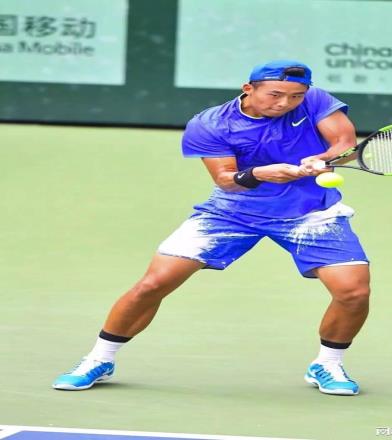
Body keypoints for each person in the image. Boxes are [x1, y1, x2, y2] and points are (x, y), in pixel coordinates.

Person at [53, 60, 370, 396]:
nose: (285, 103)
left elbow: (345, 144)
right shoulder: (211, 124)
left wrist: (324, 159)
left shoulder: (316, 100)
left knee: (354, 292)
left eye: (295, 97)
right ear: (248, 89)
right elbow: (226, 179)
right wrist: (259, 174)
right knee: (153, 284)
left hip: (311, 213)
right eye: (275, 95)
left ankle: (327, 363)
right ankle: (99, 358)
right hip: (232, 213)